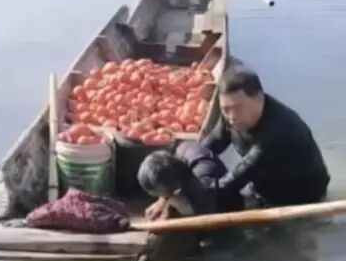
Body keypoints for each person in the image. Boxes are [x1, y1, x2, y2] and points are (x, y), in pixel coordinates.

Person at [202, 65, 329, 211]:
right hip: (263, 183)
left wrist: (203, 193)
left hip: (301, 199)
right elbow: (213, 143)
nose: (231, 117)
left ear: (258, 97)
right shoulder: (232, 116)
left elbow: (238, 176)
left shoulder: (279, 132)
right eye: (225, 109)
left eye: (237, 108)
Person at [139, 141, 232, 220]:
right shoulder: (179, 153)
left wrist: (186, 210)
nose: (161, 196)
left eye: (161, 193)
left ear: (174, 188)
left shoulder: (202, 184)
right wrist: (161, 202)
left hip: (223, 206)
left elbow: (202, 220)